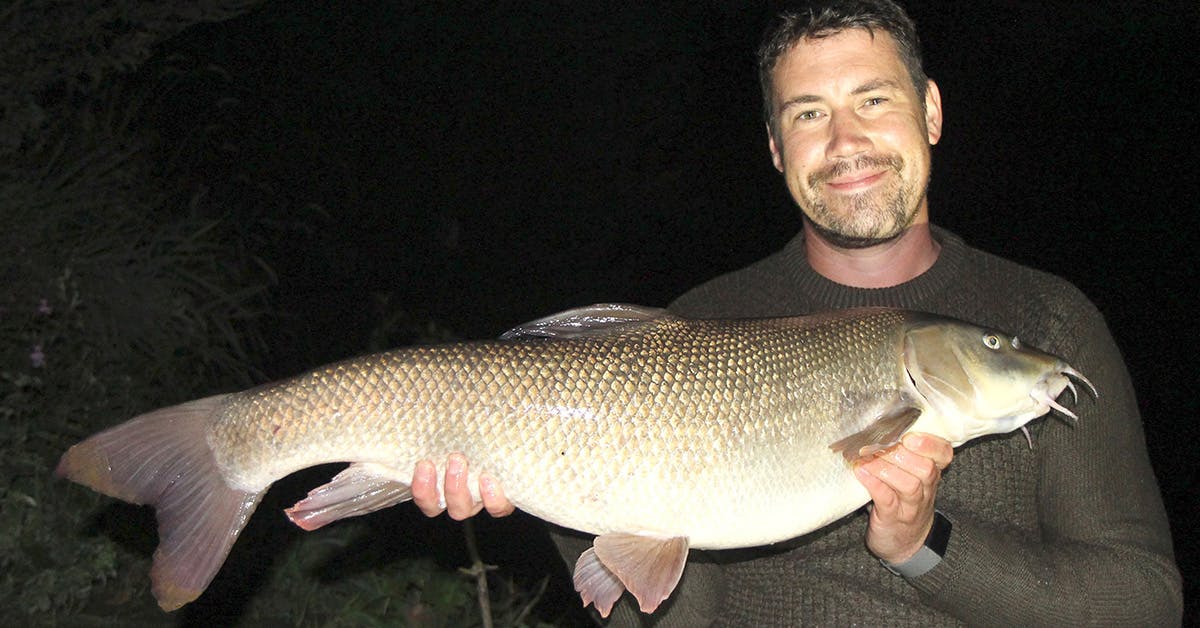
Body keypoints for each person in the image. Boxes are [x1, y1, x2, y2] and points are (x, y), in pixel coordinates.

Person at [409, 1, 1182, 624]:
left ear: (931, 111)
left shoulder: (1048, 318)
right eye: (809, 114)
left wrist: (924, 543)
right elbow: (671, 618)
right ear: (777, 147)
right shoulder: (704, 322)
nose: (846, 141)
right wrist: (552, 485)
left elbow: (1144, 601)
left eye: (873, 100)